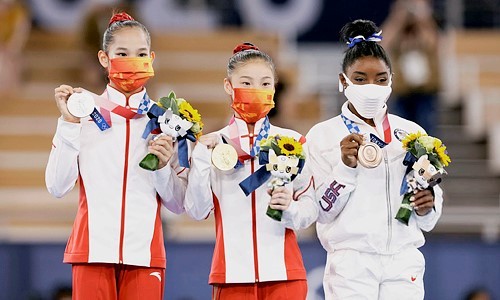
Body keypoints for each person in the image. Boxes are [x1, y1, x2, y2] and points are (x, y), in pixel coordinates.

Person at [45, 12, 187, 299]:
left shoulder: (169, 123)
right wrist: (68, 125)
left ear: (152, 59)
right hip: (92, 251)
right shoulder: (82, 114)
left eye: (141, 54)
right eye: (122, 53)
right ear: (104, 58)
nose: (132, 61)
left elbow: (178, 204)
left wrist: (161, 168)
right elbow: (57, 187)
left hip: (144, 254)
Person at [306, 19, 444, 299]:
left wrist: (428, 204)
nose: (371, 86)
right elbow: (321, 210)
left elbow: (429, 213)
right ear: (342, 81)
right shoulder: (322, 136)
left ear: (391, 81)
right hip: (352, 262)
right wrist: (345, 168)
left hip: (404, 259)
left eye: (380, 79)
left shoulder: (412, 132)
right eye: (360, 79)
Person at [184, 42, 317, 299]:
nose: (256, 90)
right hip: (232, 278)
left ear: (275, 88)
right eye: (246, 83)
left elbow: (310, 211)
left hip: (285, 276)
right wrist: (200, 158)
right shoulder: (213, 145)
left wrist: (290, 210)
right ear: (228, 86)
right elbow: (197, 210)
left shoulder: (294, 143)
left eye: (265, 83)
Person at [381, 0, 441, 135]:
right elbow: (384, 42)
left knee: (427, 131)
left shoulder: (424, 34)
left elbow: (433, 41)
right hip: (403, 91)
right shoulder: (399, 37)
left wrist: (422, 15)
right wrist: (398, 18)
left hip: (426, 91)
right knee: (402, 133)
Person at [0, 0, 31, 95]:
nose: (3, 7)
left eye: (7, 5)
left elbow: (18, 37)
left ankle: (10, 93)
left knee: (12, 62)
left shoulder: (18, 14)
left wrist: (12, 49)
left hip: (9, 51)